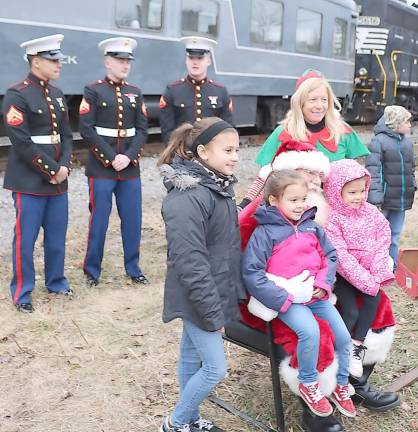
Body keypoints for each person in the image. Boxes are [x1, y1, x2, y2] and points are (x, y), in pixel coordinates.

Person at [242, 170, 356, 418]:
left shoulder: (312, 227)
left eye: (303, 199)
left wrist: (323, 283)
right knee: (310, 331)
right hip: (289, 299)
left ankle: (341, 384)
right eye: (293, 200)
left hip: (315, 295)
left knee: (344, 337)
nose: (300, 205)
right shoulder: (264, 233)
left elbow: (330, 256)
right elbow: (252, 272)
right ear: (274, 200)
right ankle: (308, 383)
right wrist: (284, 297)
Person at [158, 117, 245, 432]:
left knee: (190, 357)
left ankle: (189, 420)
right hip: (198, 294)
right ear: (204, 152)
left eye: (237, 149)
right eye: (228, 149)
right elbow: (190, 260)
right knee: (215, 368)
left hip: (211, 288)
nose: (235, 156)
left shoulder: (217, 186)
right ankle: (176, 422)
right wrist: (212, 309)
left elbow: (220, 241)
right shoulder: (189, 197)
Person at [2, 34, 73, 313]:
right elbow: (21, 141)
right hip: (30, 181)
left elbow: (67, 136)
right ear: (36, 61)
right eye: (53, 60)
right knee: (25, 239)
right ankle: (22, 292)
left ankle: (56, 281)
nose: (59, 65)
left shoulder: (56, 94)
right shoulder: (16, 94)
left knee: (56, 236)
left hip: (58, 183)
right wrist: (53, 170)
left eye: (59, 60)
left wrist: (64, 167)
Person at [238, 69, 369, 209]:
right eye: (313, 100)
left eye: (324, 100)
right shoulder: (283, 132)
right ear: (300, 103)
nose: (319, 106)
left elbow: (357, 176)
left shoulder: (343, 132)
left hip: (335, 212)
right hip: (292, 211)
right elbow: (266, 178)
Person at [79, 37, 149, 286]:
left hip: (129, 169)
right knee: (99, 219)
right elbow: (86, 129)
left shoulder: (135, 92)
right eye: (119, 60)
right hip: (101, 169)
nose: (124, 65)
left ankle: (133, 268)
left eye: (127, 60)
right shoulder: (94, 90)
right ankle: (92, 271)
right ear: (107, 62)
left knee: (132, 219)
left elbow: (142, 131)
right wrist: (111, 158)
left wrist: (128, 157)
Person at [323, 159, 395, 381]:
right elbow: (341, 256)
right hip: (343, 276)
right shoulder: (333, 218)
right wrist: (367, 280)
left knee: (372, 301)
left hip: (368, 272)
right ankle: (338, 352)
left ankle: (356, 346)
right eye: (352, 192)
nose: (358, 196)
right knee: (351, 310)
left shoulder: (370, 212)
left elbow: (383, 237)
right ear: (336, 191)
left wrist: (378, 269)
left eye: (362, 190)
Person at [366, 105, 416, 270]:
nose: (410, 124)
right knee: (377, 235)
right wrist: (375, 198)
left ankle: (392, 267)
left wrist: (412, 185)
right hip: (384, 199)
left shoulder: (407, 143)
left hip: (400, 199)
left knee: (395, 235)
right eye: (407, 121)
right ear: (396, 122)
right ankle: (374, 266)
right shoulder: (378, 142)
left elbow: (411, 167)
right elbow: (374, 171)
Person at [159, 36, 233, 144]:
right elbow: (167, 131)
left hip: (210, 155)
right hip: (181, 154)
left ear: (208, 61)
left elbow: (226, 130)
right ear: (186, 60)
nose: (195, 62)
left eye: (200, 58)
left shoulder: (221, 92)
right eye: (191, 58)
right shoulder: (172, 90)